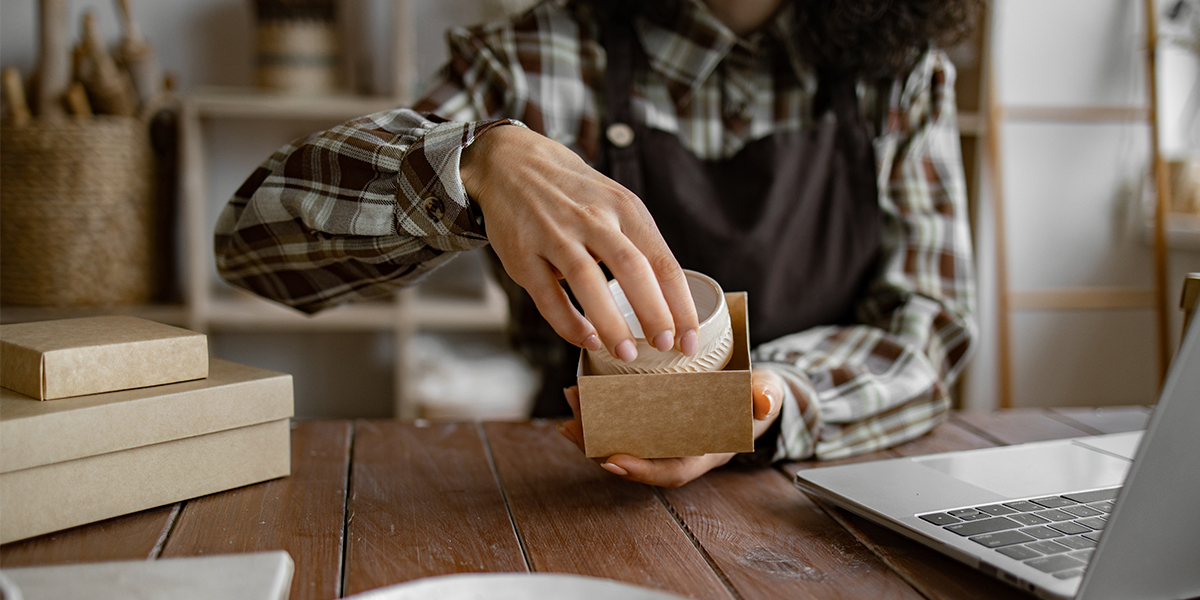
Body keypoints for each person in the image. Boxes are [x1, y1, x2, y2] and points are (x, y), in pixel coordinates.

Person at [215, 0, 980, 488]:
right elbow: (253, 251)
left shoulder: (901, 79)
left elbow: (929, 333)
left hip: (824, 495)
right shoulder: (534, 57)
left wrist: (757, 404)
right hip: (571, 486)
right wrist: (475, 163)